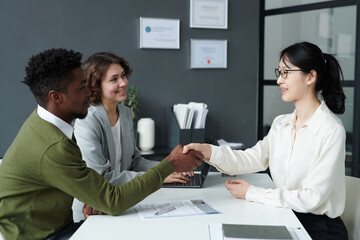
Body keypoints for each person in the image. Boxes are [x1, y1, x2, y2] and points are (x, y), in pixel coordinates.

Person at [0, 48, 203, 240]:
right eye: (82, 88)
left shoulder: (46, 124)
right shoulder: (54, 145)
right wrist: (169, 165)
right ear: (56, 97)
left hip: (60, 226)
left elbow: (94, 185)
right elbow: (113, 201)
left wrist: (95, 197)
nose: (89, 92)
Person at [183, 42, 348, 240]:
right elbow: (252, 158)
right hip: (283, 213)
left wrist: (252, 192)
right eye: (279, 72)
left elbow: (310, 198)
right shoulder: (281, 124)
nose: (279, 80)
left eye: (286, 72)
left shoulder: (331, 130)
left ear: (310, 77)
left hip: (320, 229)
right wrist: (208, 152)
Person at [72, 52, 192, 221]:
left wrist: (169, 168)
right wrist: (159, 176)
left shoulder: (125, 113)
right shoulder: (87, 120)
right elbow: (101, 176)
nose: (123, 83)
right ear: (95, 85)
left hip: (123, 202)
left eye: (123, 76)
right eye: (114, 79)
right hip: (93, 210)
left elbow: (135, 161)